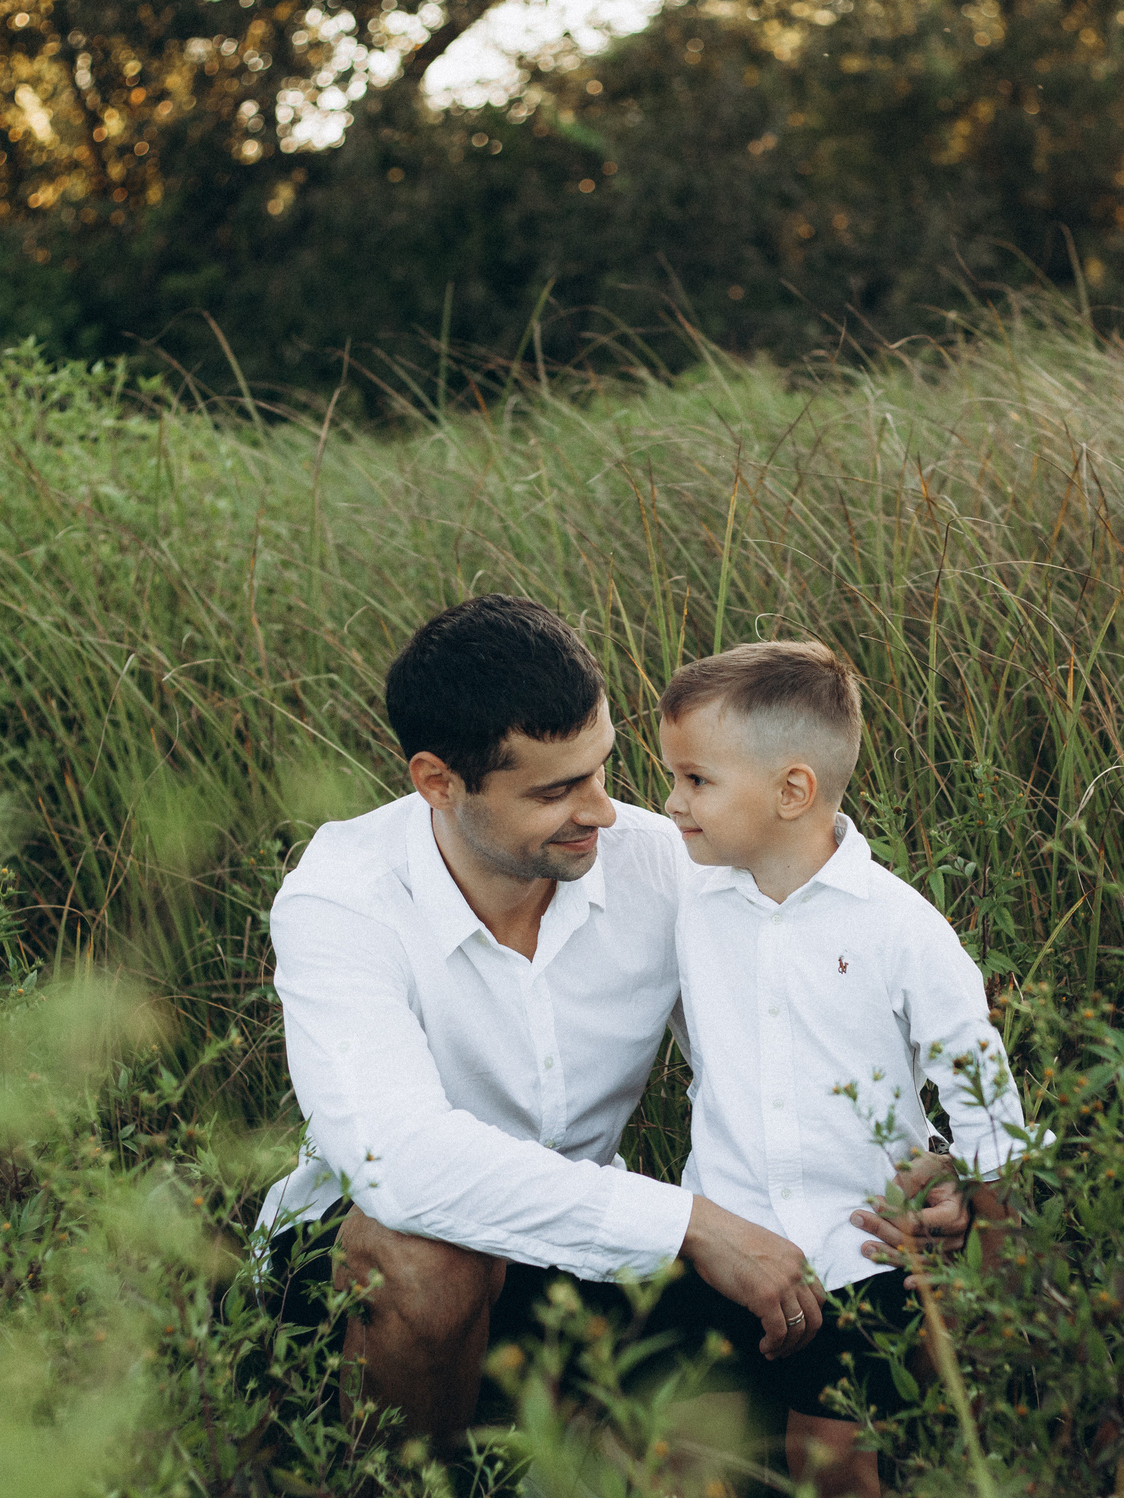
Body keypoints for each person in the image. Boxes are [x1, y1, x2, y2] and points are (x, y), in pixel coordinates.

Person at [253, 596, 974, 1445]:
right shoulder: (343, 897)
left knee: (775, 1443)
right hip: (355, 1274)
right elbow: (396, 1167)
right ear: (437, 783)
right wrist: (691, 1225)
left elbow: (791, 1045)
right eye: (557, 790)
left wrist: (925, 1161)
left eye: (602, 767)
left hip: (578, 1260)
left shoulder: (662, 866)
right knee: (430, 1256)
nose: (603, 809)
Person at [657, 639, 1035, 1498]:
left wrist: (975, 1227)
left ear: (793, 789)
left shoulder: (899, 929)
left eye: (693, 781)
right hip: (723, 1236)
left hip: (857, 1249)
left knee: (836, 1462)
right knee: (681, 1448)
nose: (671, 806)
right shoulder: (690, 901)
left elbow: (982, 1093)